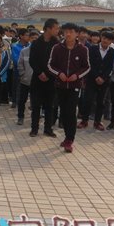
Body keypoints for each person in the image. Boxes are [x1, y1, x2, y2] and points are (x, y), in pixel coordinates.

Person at [47, 23, 90, 153]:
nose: (68, 34)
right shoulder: (57, 48)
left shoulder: (83, 49)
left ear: (77, 33)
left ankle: (70, 139)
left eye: (71, 31)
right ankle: (67, 136)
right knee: (63, 111)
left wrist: (77, 76)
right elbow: (50, 65)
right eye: (66, 31)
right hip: (60, 85)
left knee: (71, 112)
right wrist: (59, 73)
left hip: (75, 86)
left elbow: (87, 67)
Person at [78, 31, 114, 131]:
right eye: (104, 38)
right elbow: (89, 64)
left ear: (111, 41)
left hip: (104, 81)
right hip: (91, 79)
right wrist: (96, 77)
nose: (105, 40)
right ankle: (84, 120)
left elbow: (110, 67)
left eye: (108, 39)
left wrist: (103, 78)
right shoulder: (92, 48)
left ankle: (97, 122)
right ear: (101, 38)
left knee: (101, 102)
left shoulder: (112, 51)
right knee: (88, 100)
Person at [29, 19, 60, 137]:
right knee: (36, 105)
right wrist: (40, 73)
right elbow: (32, 60)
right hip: (37, 79)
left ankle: (48, 129)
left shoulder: (57, 44)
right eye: (56, 28)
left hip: (51, 80)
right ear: (48, 28)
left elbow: (57, 62)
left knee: (50, 106)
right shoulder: (36, 43)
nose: (58, 30)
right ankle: (34, 129)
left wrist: (48, 74)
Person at [16, 30, 39, 125]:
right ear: (29, 39)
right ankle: (20, 117)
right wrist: (22, 74)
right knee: (22, 100)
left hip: (37, 82)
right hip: (25, 81)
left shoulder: (41, 52)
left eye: (36, 38)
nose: (34, 40)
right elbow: (20, 64)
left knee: (36, 101)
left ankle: (35, 118)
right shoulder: (24, 51)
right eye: (32, 38)